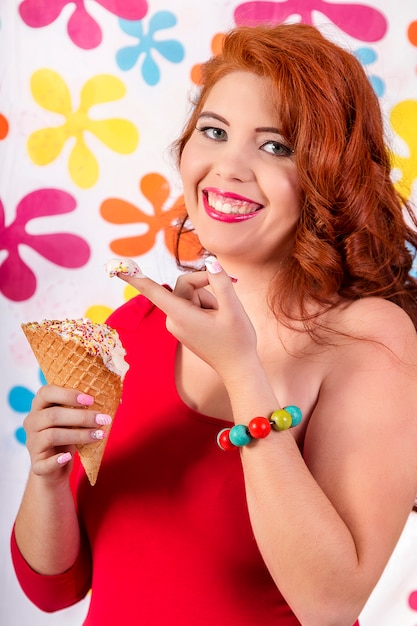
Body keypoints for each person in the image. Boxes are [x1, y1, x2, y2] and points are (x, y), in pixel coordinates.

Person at [11, 23, 417, 626]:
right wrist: (45, 476)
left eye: (276, 146)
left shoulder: (369, 338)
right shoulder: (134, 326)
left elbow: (331, 605)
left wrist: (240, 369)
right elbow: (53, 591)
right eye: (214, 131)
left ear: (330, 172)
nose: (229, 167)